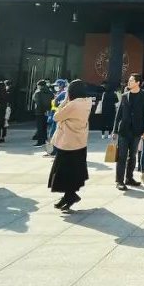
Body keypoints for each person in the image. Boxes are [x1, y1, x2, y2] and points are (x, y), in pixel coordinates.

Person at [48, 79, 92, 212]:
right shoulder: (87, 102)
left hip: (68, 143)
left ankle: (70, 196)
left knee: (63, 171)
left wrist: (65, 100)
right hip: (79, 142)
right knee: (74, 171)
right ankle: (68, 196)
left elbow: (56, 116)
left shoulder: (73, 104)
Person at [112, 73, 144, 191]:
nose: (129, 82)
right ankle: (119, 181)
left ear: (138, 82)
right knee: (122, 156)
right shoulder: (124, 96)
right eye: (129, 80)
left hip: (137, 131)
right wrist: (115, 130)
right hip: (123, 130)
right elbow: (118, 114)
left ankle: (129, 178)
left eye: (131, 80)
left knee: (132, 156)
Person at [31, 79, 53, 147]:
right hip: (48, 111)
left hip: (39, 112)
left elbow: (38, 102)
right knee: (44, 127)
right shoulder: (50, 92)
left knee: (40, 127)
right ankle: (44, 140)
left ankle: (40, 141)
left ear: (40, 86)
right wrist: (47, 110)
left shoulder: (38, 93)